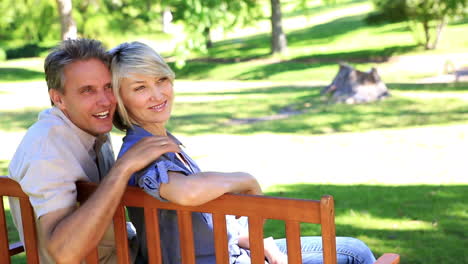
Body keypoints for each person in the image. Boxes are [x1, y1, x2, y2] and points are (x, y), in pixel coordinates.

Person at [110, 41, 377, 264]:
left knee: (354, 249)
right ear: (121, 99)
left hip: (235, 250)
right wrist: (245, 179)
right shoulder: (143, 154)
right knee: (357, 255)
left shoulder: (159, 142)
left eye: (161, 80)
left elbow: (204, 221)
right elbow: (186, 192)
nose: (157, 94)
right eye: (140, 88)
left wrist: (262, 245)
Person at [8, 38, 180, 263]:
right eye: (87, 91)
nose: (106, 101)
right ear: (59, 99)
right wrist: (122, 169)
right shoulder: (48, 148)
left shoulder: (92, 130)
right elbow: (62, 254)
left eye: (108, 87)